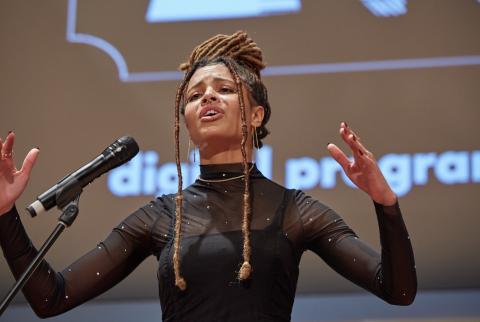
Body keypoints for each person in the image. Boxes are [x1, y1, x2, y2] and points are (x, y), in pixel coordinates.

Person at [0, 31, 416, 321]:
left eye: (224, 89)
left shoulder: (295, 211)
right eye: (195, 95)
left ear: (256, 114)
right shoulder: (160, 217)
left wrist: (386, 205)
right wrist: (4, 214)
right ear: (185, 120)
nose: (208, 97)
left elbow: (397, 291)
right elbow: (51, 297)